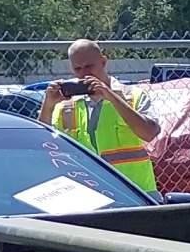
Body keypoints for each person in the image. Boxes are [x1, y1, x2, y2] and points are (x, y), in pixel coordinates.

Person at [39, 40, 162, 197]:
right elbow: (44, 145)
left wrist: (110, 96)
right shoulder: (66, 106)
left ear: (103, 62)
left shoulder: (132, 96)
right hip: (87, 195)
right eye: (78, 68)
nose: (84, 73)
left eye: (89, 66)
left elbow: (149, 133)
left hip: (137, 193)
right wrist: (48, 105)